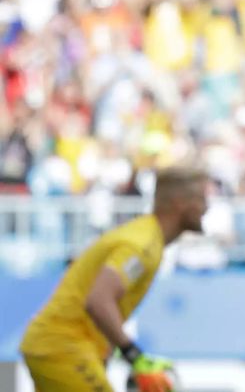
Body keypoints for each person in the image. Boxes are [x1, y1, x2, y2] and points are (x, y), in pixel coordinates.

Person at [19, 167, 209, 392]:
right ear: (179, 202)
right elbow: (98, 299)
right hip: (63, 347)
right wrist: (133, 355)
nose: (207, 208)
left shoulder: (147, 238)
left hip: (62, 346)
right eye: (201, 199)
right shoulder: (141, 245)